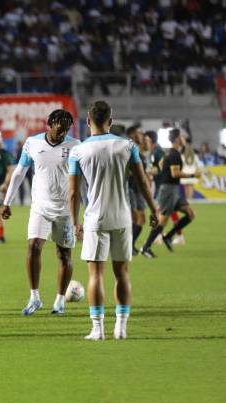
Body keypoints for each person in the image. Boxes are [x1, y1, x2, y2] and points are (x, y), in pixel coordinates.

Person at [69, 101, 157, 340]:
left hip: (95, 218)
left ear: (88, 122)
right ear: (111, 121)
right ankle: (121, 328)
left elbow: (74, 193)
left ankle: (98, 330)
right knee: (122, 273)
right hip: (122, 217)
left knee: (96, 275)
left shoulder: (78, 151)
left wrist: (74, 222)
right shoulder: (128, 146)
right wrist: (154, 209)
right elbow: (142, 182)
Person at [1, 109, 79, 316]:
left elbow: (84, 181)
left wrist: (83, 213)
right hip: (40, 208)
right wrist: (7, 201)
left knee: (64, 254)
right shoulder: (32, 143)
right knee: (33, 247)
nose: (63, 132)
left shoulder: (75, 146)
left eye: (66, 129)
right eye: (60, 128)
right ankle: (34, 297)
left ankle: (60, 301)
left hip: (65, 210)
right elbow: (19, 172)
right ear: (50, 124)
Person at [140, 129, 199, 257]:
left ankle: (169, 236)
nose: (183, 139)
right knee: (161, 220)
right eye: (182, 137)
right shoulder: (173, 154)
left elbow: (161, 165)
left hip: (172, 189)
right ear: (178, 139)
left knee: (190, 214)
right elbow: (175, 173)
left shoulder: (168, 153)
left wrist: (155, 173)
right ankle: (145, 247)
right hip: (168, 190)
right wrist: (193, 174)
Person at [126, 126, 149, 254]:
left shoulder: (140, 153)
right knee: (134, 218)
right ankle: (126, 246)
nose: (141, 136)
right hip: (129, 188)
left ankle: (130, 245)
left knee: (142, 219)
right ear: (132, 136)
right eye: (138, 134)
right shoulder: (127, 151)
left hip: (139, 189)